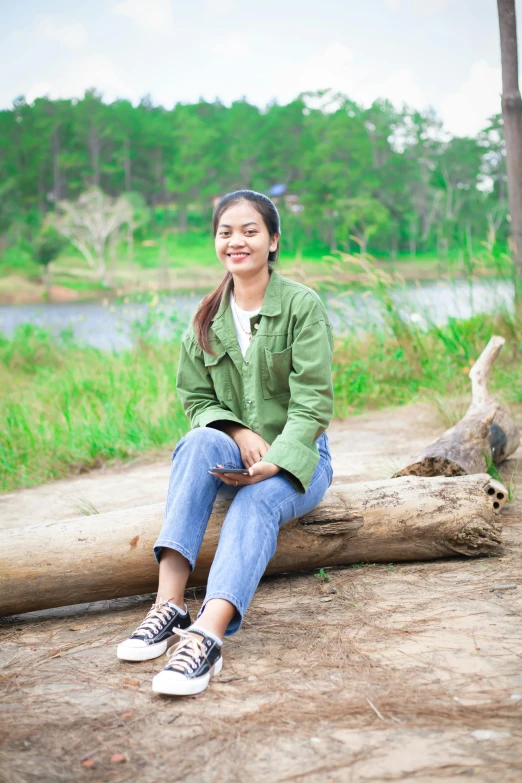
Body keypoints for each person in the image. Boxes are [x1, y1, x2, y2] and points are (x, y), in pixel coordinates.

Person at [117, 189, 334, 696]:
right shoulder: (205, 317)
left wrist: (275, 460)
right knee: (196, 441)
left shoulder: (303, 306)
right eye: (225, 232)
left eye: (250, 231)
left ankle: (205, 637)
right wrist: (236, 432)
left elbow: (314, 405)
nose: (236, 241)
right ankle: (168, 607)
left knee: (256, 500)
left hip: (303, 458)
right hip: (233, 449)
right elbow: (195, 398)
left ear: (274, 240)